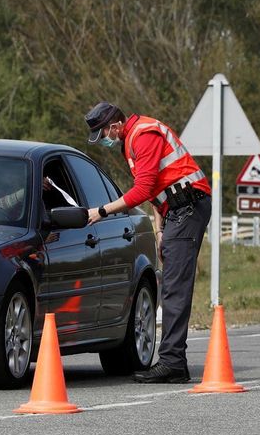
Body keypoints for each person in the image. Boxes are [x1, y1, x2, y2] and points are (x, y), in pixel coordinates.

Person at [83, 101, 211, 384]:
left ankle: (173, 363)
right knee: (172, 283)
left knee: (175, 287)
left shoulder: (143, 135)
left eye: (103, 134)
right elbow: (155, 189)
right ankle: (173, 360)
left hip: (188, 206)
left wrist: (102, 211)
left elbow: (142, 189)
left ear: (113, 126)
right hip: (176, 210)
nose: (103, 140)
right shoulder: (130, 140)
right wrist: (160, 230)